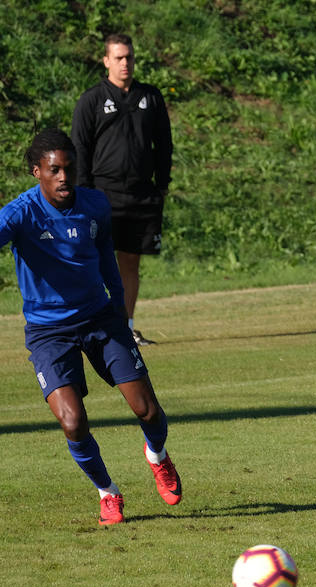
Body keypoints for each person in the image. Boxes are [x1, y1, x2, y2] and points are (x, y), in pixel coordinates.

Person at [0, 128, 182, 525]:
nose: (64, 177)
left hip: (100, 319)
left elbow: (107, 265)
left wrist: (120, 314)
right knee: (72, 421)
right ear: (37, 172)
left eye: (69, 168)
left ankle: (157, 456)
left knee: (147, 409)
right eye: (54, 170)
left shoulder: (95, 205)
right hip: (49, 333)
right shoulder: (20, 213)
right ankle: (108, 492)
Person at [72, 33, 173, 346]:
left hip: (142, 196)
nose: (125, 62)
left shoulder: (151, 97)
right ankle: (92, 325)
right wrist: (84, 193)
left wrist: (162, 186)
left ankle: (126, 326)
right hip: (103, 195)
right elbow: (80, 148)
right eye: (118, 57)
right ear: (106, 61)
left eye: (128, 56)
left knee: (131, 263)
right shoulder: (91, 100)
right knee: (95, 262)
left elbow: (164, 145)